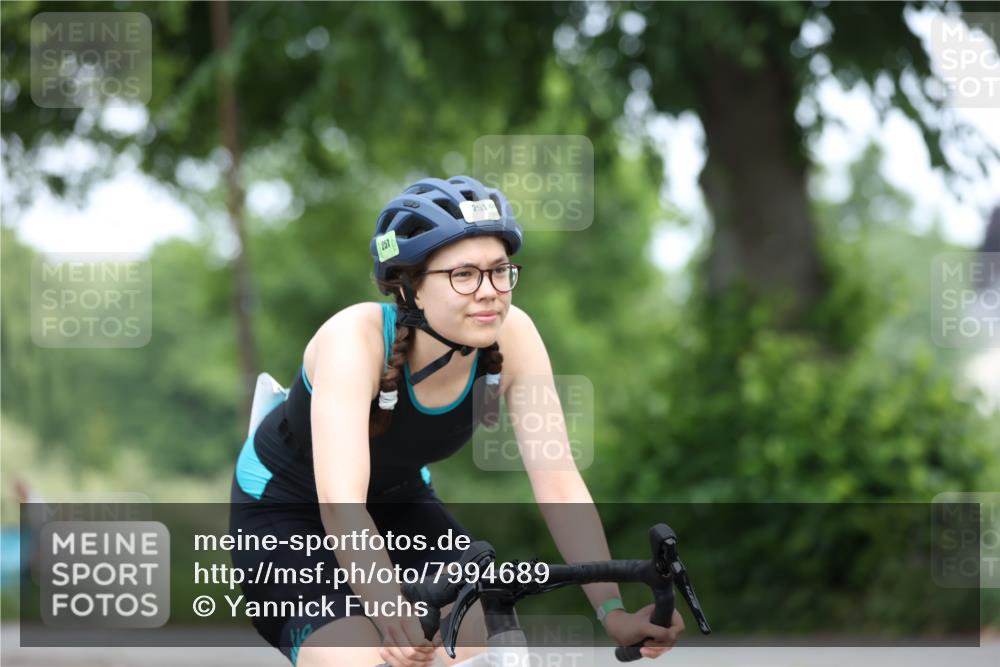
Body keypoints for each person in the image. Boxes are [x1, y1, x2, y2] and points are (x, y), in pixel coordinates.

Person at [228, 175, 682, 667]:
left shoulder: (516, 337)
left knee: (487, 639)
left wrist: (612, 613)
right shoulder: (353, 338)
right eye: (463, 275)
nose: (489, 292)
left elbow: (558, 482)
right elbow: (342, 506)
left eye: (500, 270)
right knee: (367, 659)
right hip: (287, 511)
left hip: (401, 502)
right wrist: (393, 616)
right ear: (412, 289)